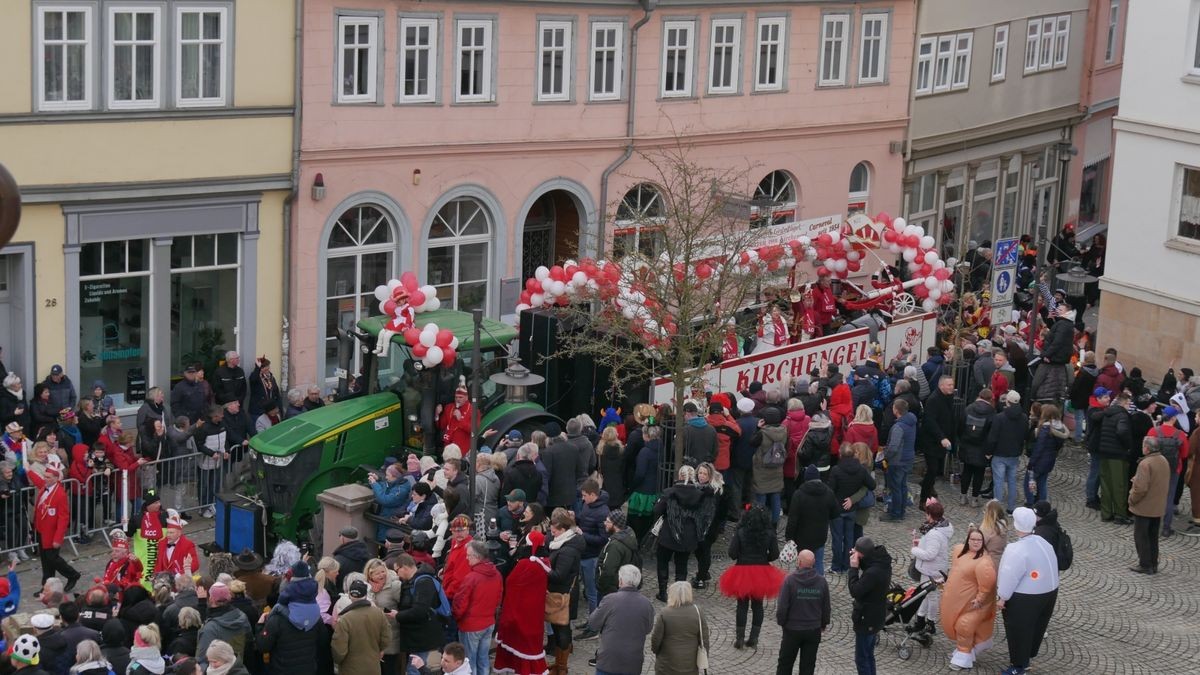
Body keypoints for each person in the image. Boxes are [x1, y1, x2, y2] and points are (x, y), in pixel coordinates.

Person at [996, 507, 1060, 675]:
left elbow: (1008, 575)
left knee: (1018, 629)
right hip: (1049, 592)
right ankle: (1027, 657)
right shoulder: (1044, 542)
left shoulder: (1015, 549)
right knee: (1037, 626)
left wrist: (1002, 597)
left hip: (1025, 597)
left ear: (1016, 526)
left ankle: (1019, 666)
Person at [719, 504, 784, 649]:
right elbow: (774, 554)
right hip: (761, 572)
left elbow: (732, 553)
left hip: (742, 570)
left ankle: (739, 638)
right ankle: (754, 638)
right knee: (758, 606)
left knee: (741, 606)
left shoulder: (741, 532)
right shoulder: (769, 533)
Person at [941, 526, 998, 670]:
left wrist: (980, 599)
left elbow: (987, 584)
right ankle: (965, 649)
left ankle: (963, 655)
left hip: (974, 605)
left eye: (979, 540)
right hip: (955, 602)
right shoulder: (959, 552)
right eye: (973, 539)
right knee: (955, 624)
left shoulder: (984, 562)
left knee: (964, 625)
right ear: (968, 540)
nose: (976, 542)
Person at [494, 531, 551, 675]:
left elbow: (511, 582)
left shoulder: (527, 563)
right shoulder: (543, 562)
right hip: (534, 612)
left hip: (520, 611)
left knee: (520, 642)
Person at [653, 466, 711, 601]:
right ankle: (679, 595)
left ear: (679, 476)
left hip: (669, 534)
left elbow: (657, 510)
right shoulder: (699, 495)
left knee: (662, 561)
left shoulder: (670, 492)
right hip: (688, 536)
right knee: (682, 565)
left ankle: (663, 592)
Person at [585, 564, 655, 675]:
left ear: (620, 581)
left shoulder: (610, 600)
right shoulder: (647, 604)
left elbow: (593, 623)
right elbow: (647, 629)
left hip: (609, 661)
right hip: (633, 662)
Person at [27, 457, 80, 591]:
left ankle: (72, 574)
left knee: (52, 559)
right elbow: (38, 481)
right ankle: (47, 586)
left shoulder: (60, 495)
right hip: (41, 529)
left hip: (51, 533)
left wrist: (58, 538)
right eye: (45, 476)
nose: (45, 479)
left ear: (56, 478)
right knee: (46, 561)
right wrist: (28, 470)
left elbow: (63, 518)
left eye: (49, 477)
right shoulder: (46, 486)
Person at [775, 549, 830, 675]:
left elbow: (783, 606)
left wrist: (782, 622)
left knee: (785, 664)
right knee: (808, 667)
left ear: (799, 562)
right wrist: (823, 624)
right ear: (814, 562)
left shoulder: (790, 580)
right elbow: (826, 607)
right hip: (813, 629)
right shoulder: (822, 582)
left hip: (792, 629)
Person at [453, 541, 503, 675]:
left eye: (468, 555)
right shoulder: (496, 574)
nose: (467, 558)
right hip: (488, 622)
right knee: (483, 658)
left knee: (469, 661)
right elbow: (498, 598)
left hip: (471, 626)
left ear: (477, 557)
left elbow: (460, 604)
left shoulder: (471, 578)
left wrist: (456, 618)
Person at [847, 536, 891, 675]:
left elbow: (855, 591)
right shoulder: (881, 561)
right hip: (876, 616)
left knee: (862, 658)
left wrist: (854, 568)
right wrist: (860, 561)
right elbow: (870, 565)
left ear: (862, 554)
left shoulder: (872, 573)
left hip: (867, 618)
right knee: (869, 655)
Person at [908, 499, 953, 635]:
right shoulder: (940, 528)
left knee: (931, 597)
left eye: (926, 514)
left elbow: (930, 554)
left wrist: (914, 550)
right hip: (933, 569)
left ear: (930, 516)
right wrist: (921, 542)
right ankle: (921, 620)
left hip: (931, 570)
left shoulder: (934, 533)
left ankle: (929, 622)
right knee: (925, 595)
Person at [828, 444, 876, 573]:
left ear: (840, 454)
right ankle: (848, 564)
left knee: (837, 539)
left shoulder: (836, 470)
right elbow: (872, 485)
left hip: (838, 510)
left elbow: (830, 490)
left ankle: (837, 566)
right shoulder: (861, 469)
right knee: (849, 538)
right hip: (852, 509)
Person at [786, 464, 839, 576]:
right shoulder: (828, 493)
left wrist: (789, 537)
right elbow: (835, 513)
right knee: (818, 562)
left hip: (801, 537)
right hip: (820, 536)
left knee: (802, 563)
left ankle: (801, 586)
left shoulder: (799, 494)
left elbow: (792, 519)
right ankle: (818, 587)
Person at [1128, 435, 1170, 574]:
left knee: (1141, 536)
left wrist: (1131, 499)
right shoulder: (1163, 460)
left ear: (1146, 448)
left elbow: (1140, 489)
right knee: (1153, 536)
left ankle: (1145, 564)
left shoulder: (1145, 464)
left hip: (1144, 507)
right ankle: (1153, 563)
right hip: (1157, 506)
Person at [331, 579, 390, 675]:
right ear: (366, 595)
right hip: (373, 666)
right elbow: (386, 638)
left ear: (350, 595)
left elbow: (339, 649)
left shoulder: (345, 619)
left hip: (350, 668)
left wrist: (339, 661)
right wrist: (377, 650)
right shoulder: (378, 613)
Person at [650, 581, 709, 675]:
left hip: (666, 665)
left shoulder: (665, 613)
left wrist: (656, 651)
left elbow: (656, 639)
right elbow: (704, 639)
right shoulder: (698, 612)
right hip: (690, 664)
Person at [575, 478, 610, 622]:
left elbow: (603, 538)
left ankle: (593, 624)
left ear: (592, 495)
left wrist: (583, 534)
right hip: (584, 553)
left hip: (592, 557)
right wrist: (575, 518)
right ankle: (591, 621)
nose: (582, 498)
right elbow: (584, 522)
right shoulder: (587, 505)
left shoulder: (602, 512)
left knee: (592, 593)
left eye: (584, 495)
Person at [919, 376, 956, 508]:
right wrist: (941, 437)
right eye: (949, 385)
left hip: (941, 440)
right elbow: (930, 421)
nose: (952, 387)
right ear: (941, 386)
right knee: (932, 469)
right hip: (931, 441)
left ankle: (928, 486)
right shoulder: (934, 400)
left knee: (935, 469)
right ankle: (923, 499)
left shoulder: (948, 397)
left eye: (952, 384)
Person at [1098, 391, 1134, 523]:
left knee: (1106, 484)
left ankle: (1106, 513)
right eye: (1128, 403)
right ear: (1123, 403)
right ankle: (1120, 514)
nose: (1129, 406)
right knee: (1119, 485)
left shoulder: (1108, 413)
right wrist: (1128, 445)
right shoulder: (1123, 416)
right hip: (1117, 454)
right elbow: (1122, 431)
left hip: (1104, 452)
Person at [988, 390, 1026, 513]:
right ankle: (1011, 508)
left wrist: (989, 451)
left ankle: (997, 509)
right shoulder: (1024, 418)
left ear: (1007, 402)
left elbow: (993, 437)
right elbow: (1023, 436)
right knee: (1012, 481)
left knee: (998, 482)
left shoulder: (1000, 417)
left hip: (1000, 453)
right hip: (1014, 454)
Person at [1025, 405, 1069, 506]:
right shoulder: (1060, 428)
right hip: (1049, 461)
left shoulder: (1045, 429)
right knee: (1042, 482)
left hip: (1039, 461)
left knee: (1029, 482)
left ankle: (1030, 503)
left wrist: (1031, 463)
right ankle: (1042, 504)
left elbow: (1039, 448)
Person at [751, 406, 788, 525]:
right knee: (776, 495)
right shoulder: (784, 430)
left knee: (761, 496)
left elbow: (751, 442)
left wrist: (757, 428)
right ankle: (774, 523)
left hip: (762, 468)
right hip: (777, 467)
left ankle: (760, 521)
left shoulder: (762, 433)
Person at [959, 389, 995, 506]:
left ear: (979, 396)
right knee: (979, 474)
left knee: (966, 471)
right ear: (990, 399)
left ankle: (963, 496)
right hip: (982, 448)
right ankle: (975, 499)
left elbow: (960, 425)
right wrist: (989, 451)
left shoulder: (968, 408)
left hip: (967, 445)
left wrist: (962, 440)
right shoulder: (992, 412)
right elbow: (991, 435)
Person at [882, 398, 917, 521]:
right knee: (902, 486)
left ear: (896, 410)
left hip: (897, 461)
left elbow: (893, 447)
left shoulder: (898, 427)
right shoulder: (911, 421)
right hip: (908, 458)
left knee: (896, 487)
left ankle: (896, 513)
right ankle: (901, 511)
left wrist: (885, 457)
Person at [626, 425, 661, 541]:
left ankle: (636, 542)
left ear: (646, 436)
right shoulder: (662, 448)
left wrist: (632, 486)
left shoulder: (645, 452)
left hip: (642, 491)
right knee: (648, 520)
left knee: (635, 520)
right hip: (655, 489)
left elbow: (640, 474)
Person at [439, 385, 473, 453]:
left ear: (466, 398)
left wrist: (460, 419)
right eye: (456, 397)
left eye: (460, 397)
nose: (458, 399)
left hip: (462, 448)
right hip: (448, 445)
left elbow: (473, 430)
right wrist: (437, 415)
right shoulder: (449, 407)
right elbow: (441, 426)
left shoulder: (474, 411)